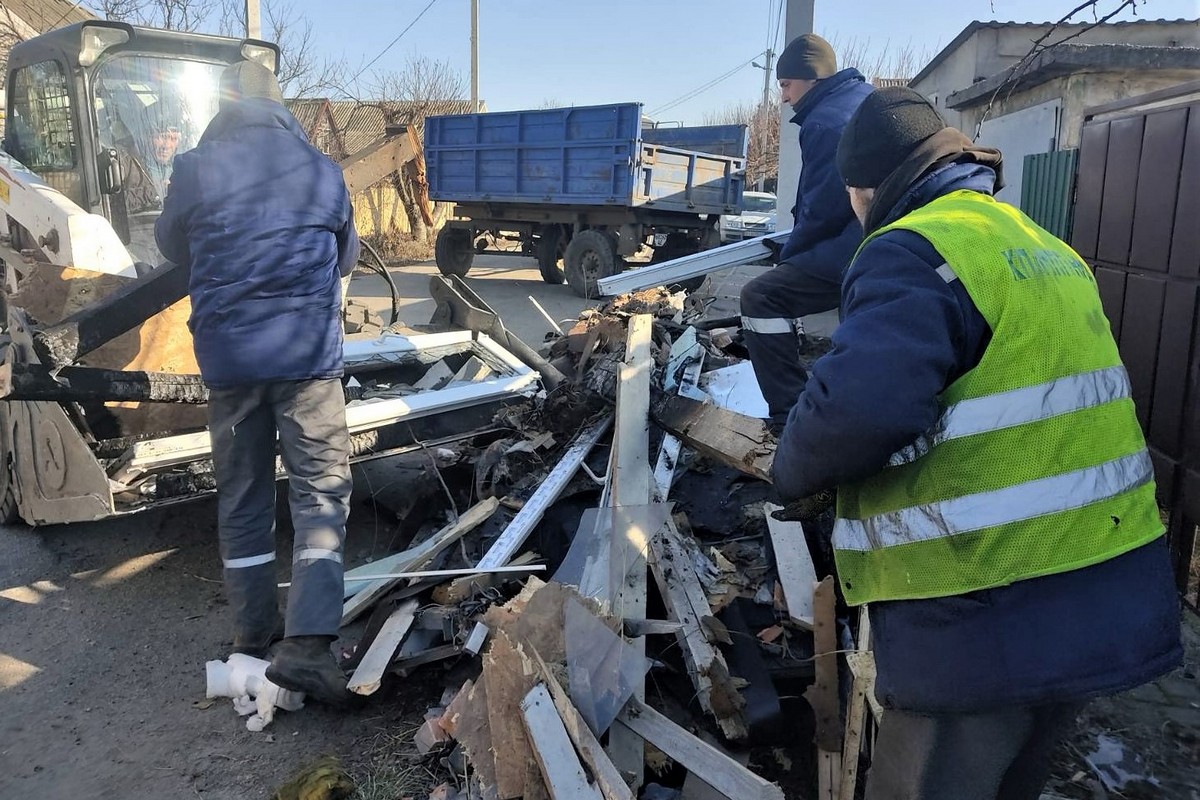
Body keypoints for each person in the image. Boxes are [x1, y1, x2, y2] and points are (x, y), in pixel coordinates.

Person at [771, 87, 1183, 800]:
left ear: (866, 189)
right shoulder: (1036, 241)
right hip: (1104, 593)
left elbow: (857, 411)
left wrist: (788, 470)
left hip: (987, 613)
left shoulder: (910, 249)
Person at [155, 60, 361, 706]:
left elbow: (169, 245)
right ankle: (307, 646)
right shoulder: (324, 172)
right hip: (308, 364)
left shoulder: (194, 168)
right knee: (320, 495)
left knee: (243, 498)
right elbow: (347, 256)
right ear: (282, 109)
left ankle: (251, 638)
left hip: (232, 367)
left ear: (227, 105)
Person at [739, 34, 873, 427]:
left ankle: (792, 418)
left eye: (786, 85)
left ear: (811, 78)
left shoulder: (827, 121)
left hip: (860, 246)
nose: (783, 97)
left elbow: (825, 208)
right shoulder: (860, 98)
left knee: (762, 296)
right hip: (880, 239)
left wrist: (791, 253)